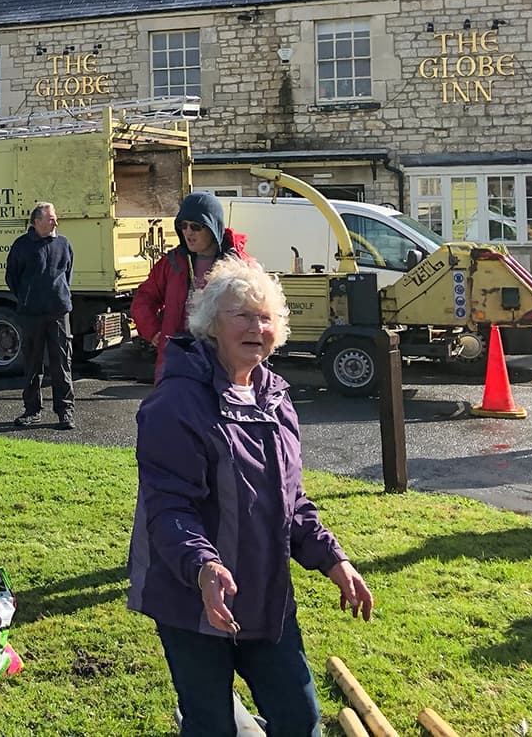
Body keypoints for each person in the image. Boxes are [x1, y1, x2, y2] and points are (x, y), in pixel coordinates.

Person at [128, 258, 372, 736]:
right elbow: (169, 507)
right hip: (193, 600)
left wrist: (333, 559)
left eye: (265, 317)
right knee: (211, 724)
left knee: (300, 718)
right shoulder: (174, 404)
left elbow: (292, 501)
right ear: (211, 325)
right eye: (241, 314)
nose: (255, 327)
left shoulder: (275, 399)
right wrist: (204, 567)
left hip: (264, 597)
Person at [132, 191, 252, 383]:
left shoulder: (240, 265)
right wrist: (153, 331)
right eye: (183, 225)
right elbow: (144, 299)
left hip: (223, 362)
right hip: (177, 361)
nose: (188, 232)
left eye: (196, 226)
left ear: (214, 227)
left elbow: (259, 314)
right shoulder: (171, 263)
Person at [6, 202, 76, 430]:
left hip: (58, 311)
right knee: (32, 363)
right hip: (31, 314)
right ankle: (32, 410)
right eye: (50, 218)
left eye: (55, 218)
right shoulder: (22, 246)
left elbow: (68, 273)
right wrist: (26, 298)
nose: (55, 221)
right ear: (36, 222)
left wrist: (60, 296)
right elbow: (12, 277)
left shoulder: (64, 244)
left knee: (62, 362)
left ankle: (65, 411)